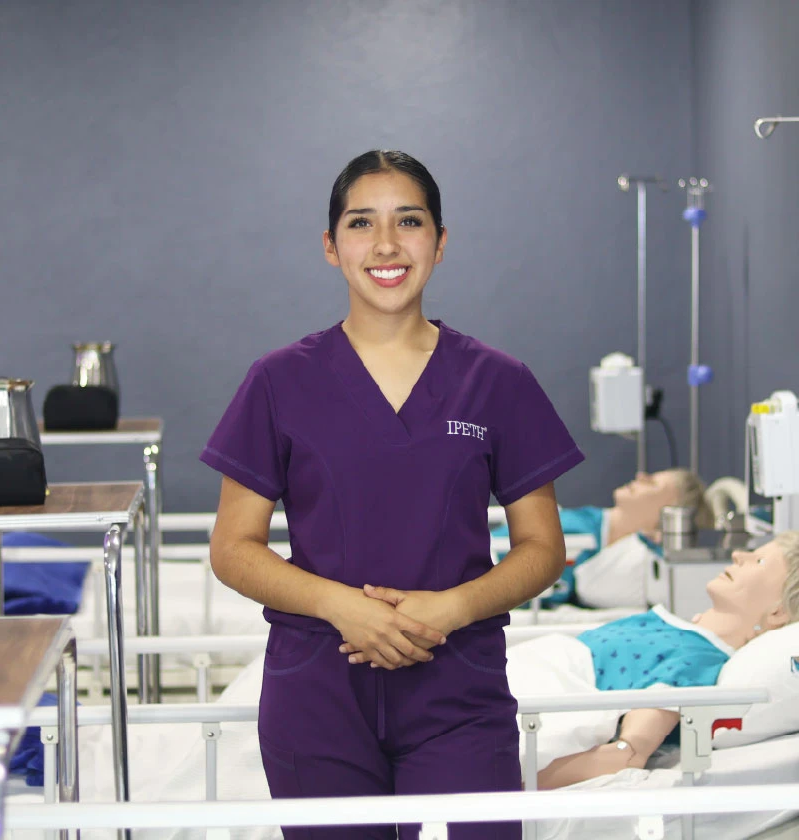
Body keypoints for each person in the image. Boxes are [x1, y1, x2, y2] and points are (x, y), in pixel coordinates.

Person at [201, 150, 584, 839]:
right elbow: (232, 548)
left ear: (439, 243)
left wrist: (451, 608)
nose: (385, 245)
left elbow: (542, 547)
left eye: (408, 221)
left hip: (458, 690)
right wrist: (341, 607)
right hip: (317, 691)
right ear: (330, 246)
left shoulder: (497, 381)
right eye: (360, 223)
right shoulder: (278, 381)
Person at [535, 530, 799, 789]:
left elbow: (626, 754)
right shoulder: (687, 635)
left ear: (778, 612)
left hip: (533, 699)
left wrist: (506, 784)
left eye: (759, 561)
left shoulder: (698, 660)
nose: (739, 554)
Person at [493, 468, 712, 607]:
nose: (641, 476)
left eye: (653, 483)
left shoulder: (644, 560)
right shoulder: (580, 527)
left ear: (667, 518)